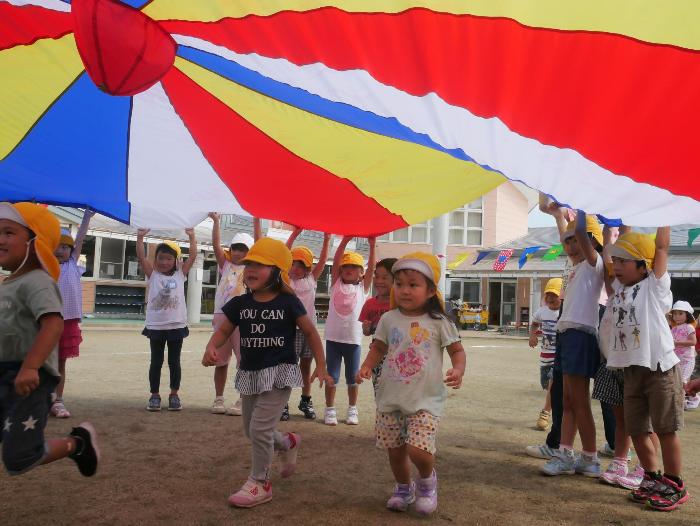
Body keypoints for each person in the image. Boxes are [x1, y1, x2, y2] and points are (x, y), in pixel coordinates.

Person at [202, 238, 333, 508]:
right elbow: (225, 330)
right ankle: (286, 442)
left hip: (279, 373)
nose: (251, 269)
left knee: (259, 428)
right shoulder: (240, 303)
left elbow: (310, 331)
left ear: (276, 271)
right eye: (250, 263)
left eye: (260, 264)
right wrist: (211, 346)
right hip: (250, 373)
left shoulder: (289, 302)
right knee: (252, 430)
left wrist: (321, 365)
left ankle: (260, 483)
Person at [356, 253, 466, 515]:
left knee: (418, 449)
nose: (404, 290)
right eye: (399, 283)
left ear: (430, 291)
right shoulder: (388, 319)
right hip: (391, 397)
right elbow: (379, 346)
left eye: (413, 284)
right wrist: (367, 365)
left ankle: (427, 484)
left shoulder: (440, 322)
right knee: (395, 450)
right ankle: (404, 488)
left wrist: (458, 369)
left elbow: (457, 351)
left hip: (425, 399)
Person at [0, 202, 99, 477]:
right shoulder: (8, 283)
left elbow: (53, 324)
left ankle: (77, 443)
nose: (1, 239)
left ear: (35, 242)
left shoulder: (38, 281)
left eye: (9, 232)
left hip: (27, 379)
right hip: (5, 374)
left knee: (18, 457)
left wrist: (31, 366)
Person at [605, 228, 688, 511]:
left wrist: (662, 214)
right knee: (637, 427)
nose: (616, 266)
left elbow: (662, 249)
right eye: (615, 261)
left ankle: (674, 483)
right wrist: (611, 232)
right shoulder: (618, 289)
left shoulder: (654, 287)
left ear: (644, 265)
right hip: (631, 370)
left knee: (666, 428)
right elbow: (606, 253)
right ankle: (651, 478)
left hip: (659, 368)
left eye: (624, 261)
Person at [541, 211, 604, 477]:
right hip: (567, 335)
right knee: (567, 400)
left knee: (578, 401)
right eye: (565, 241)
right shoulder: (574, 267)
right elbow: (568, 232)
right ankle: (568, 454)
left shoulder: (594, 264)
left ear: (591, 241)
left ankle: (588, 457)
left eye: (575, 240)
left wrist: (579, 201)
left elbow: (579, 231)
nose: (569, 245)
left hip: (581, 335)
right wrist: (559, 215)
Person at [137, 228, 197, 412]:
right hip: (156, 326)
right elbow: (141, 257)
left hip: (176, 326)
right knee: (156, 362)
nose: (164, 262)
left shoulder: (181, 274)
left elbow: (193, 256)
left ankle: (174, 394)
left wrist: (192, 237)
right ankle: (154, 395)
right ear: (155, 260)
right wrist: (140, 238)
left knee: (174, 362)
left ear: (175, 261)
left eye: (168, 259)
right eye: (160, 258)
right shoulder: (153, 275)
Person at [208, 212, 259, 416]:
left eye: (243, 249)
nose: (238, 253)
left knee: (244, 361)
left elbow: (259, 244)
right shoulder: (225, 265)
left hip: (244, 319)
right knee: (220, 361)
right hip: (222, 317)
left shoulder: (252, 269)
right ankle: (219, 398)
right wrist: (216, 222)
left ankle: (242, 399)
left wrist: (256, 221)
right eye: (235, 249)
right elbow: (215, 245)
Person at [323, 236, 376, 426]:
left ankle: (352, 409)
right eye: (345, 267)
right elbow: (336, 259)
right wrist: (344, 241)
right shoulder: (336, 284)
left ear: (361, 273)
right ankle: (330, 409)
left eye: (353, 267)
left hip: (353, 341)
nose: (348, 270)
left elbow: (371, 269)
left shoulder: (363, 288)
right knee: (332, 376)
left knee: (353, 378)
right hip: (333, 339)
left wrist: (371, 245)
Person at [283, 227, 331, 420]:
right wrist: (295, 233)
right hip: (290, 330)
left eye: (301, 265)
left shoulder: (312, 279)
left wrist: (327, 239)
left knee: (305, 367)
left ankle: (305, 399)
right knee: (288, 366)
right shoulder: (285, 279)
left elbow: (323, 259)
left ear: (308, 268)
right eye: (293, 263)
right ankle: (283, 403)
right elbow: (284, 252)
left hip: (308, 331)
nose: (296, 268)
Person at [51, 208, 94, 418]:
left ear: (71, 249)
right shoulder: (45, 266)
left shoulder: (73, 265)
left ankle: (58, 400)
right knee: (41, 361)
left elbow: (81, 237)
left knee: (60, 363)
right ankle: (42, 399)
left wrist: (86, 217)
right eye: (55, 246)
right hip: (46, 321)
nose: (60, 250)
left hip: (67, 322)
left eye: (64, 247)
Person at [359, 257, 397, 394]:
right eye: (377, 277)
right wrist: (366, 328)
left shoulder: (401, 303)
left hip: (399, 354)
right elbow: (367, 332)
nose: (379, 281)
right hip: (377, 354)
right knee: (380, 391)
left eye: (385, 278)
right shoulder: (370, 304)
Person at [528, 278, 562, 431]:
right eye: (547, 294)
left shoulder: (565, 312)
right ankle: (553, 405)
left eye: (554, 295)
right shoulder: (542, 311)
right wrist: (532, 335)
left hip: (559, 356)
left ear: (562, 296)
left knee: (553, 384)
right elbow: (534, 323)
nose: (549, 298)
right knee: (546, 385)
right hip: (545, 356)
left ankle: (545, 413)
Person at [668, 300, 697, 409]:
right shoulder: (673, 329)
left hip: (687, 360)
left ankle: (691, 400)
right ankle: (688, 400)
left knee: (682, 381)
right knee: (677, 381)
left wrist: (677, 343)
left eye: (680, 313)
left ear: (687, 315)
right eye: (675, 314)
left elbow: (693, 342)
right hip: (676, 360)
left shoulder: (689, 327)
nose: (677, 316)